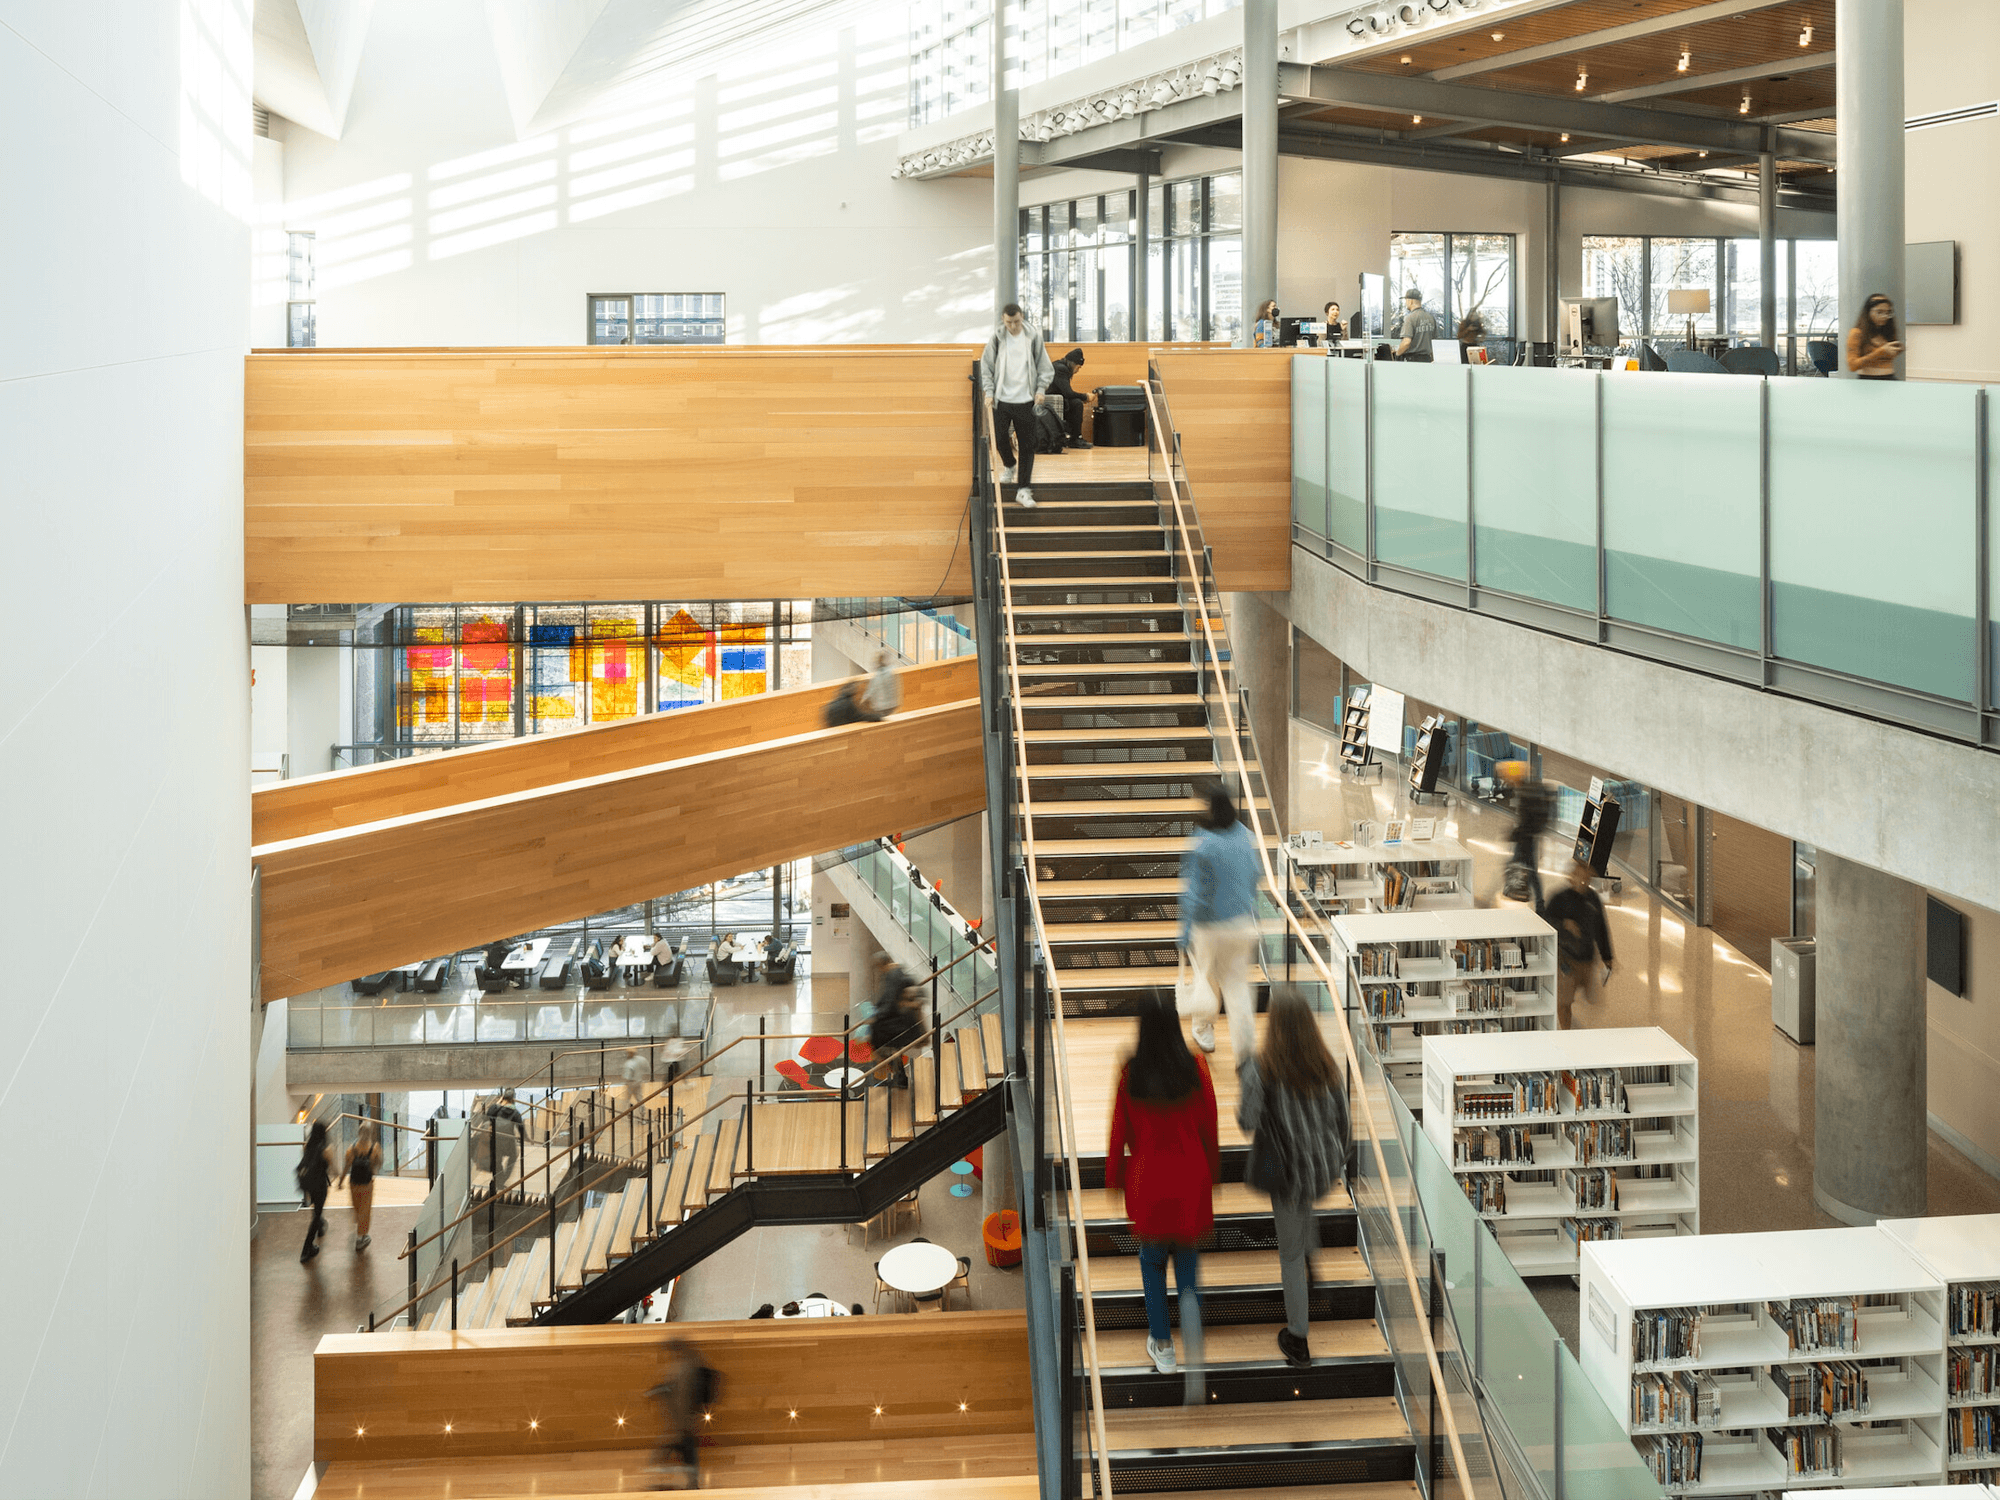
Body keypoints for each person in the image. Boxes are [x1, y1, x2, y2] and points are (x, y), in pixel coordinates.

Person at [1106, 997, 1217, 1398]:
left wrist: (1112, 1180)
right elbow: (1210, 1125)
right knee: (1187, 1263)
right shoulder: (1196, 1069)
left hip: (1149, 1183)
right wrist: (1215, 1174)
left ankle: (1164, 1347)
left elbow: (1119, 1133)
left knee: (1152, 1265)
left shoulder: (1130, 1073)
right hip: (1190, 1180)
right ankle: (1192, 1335)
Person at [1236, 987, 1351, 1369]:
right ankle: (1311, 1258)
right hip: (1322, 1169)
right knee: (1302, 1211)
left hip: (1287, 1173)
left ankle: (1298, 1338)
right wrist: (1337, 1159)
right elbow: (1344, 1122)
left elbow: (1246, 1122)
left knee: (1288, 1255)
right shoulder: (1326, 1063)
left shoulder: (1262, 1068)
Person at [1179, 782, 1262, 1060]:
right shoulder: (1245, 836)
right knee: (1238, 989)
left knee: (1206, 980)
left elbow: (1194, 893)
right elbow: (1254, 876)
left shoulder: (1202, 842)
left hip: (1209, 928)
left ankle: (1204, 1031)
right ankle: (1245, 1054)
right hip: (1241, 924)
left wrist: (1185, 931)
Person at [979, 303, 1055, 508]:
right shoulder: (997, 338)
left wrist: (1040, 389)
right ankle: (1009, 465)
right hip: (1002, 399)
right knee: (999, 437)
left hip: (1026, 400)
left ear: (1022, 318)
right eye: (1009, 322)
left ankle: (1023, 489)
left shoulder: (1033, 338)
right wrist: (989, 391)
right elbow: (986, 366)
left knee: (1027, 446)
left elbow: (1045, 366)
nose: (1013, 326)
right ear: (1003, 320)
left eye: (1016, 322)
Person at [1545, 859, 1614, 1029]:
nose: (1583, 882)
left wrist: (1607, 956)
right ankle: (1567, 1031)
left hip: (1587, 959)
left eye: (1587, 879)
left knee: (1592, 998)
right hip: (1566, 959)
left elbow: (1601, 928)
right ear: (1571, 878)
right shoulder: (1559, 899)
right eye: (1580, 878)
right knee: (1564, 1002)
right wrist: (1564, 924)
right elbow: (1544, 921)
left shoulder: (1593, 899)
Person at [646, 1338, 716, 1490]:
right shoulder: (690, 1364)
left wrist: (679, 1423)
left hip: (681, 1421)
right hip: (684, 1421)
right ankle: (689, 1482)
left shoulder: (682, 1368)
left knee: (680, 1448)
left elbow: (680, 1395)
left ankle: (665, 1481)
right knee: (682, 1449)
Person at [1497, 760, 1551, 912]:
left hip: (1525, 839)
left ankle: (1535, 901)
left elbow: (1527, 821)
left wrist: (1514, 834)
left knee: (1526, 869)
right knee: (1524, 868)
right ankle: (1526, 896)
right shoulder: (1526, 789)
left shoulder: (1526, 792)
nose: (1505, 780)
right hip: (1527, 837)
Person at [337, 1120, 382, 1252]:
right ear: (370, 1133)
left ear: (359, 1132)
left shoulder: (352, 1148)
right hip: (367, 1184)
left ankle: (360, 1231)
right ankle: (360, 1237)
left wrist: (340, 1181)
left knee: (357, 1208)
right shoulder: (375, 1147)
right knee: (365, 1210)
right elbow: (377, 1164)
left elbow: (346, 1166)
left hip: (353, 1183)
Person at [296, 1122, 334, 1263]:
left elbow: (307, 1163)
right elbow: (332, 1167)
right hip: (320, 1185)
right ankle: (307, 1249)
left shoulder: (307, 1146)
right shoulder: (326, 1149)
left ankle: (320, 1228)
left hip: (309, 1185)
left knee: (316, 1210)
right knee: (317, 1214)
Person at [1846, 293, 1903, 380]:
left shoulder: (1886, 332)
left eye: (1888, 312)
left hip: (1889, 378)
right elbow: (1852, 365)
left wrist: (1896, 350)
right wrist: (1880, 352)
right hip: (1868, 381)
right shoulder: (1857, 333)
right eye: (1879, 312)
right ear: (1868, 312)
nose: (1884, 316)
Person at [1047, 348, 1092, 448]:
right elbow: (1068, 393)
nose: (1077, 371)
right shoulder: (1061, 369)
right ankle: (1075, 438)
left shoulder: (1058, 366)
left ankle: (1073, 437)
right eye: (1078, 367)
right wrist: (1085, 396)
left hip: (1053, 399)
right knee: (1077, 404)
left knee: (1074, 403)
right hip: (1050, 401)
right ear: (1073, 363)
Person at [482, 1087, 526, 1191]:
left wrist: (498, 1102)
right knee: (513, 1156)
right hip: (508, 1141)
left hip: (494, 1140)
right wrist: (523, 1140)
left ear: (503, 1097)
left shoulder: (495, 1108)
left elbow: (486, 1118)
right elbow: (521, 1128)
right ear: (513, 1099)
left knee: (497, 1161)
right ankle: (502, 1181)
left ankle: (498, 1181)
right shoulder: (515, 1113)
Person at [858, 648, 902, 721]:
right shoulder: (892, 671)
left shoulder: (876, 676)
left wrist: (862, 700)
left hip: (880, 708)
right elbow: (896, 688)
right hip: (892, 705)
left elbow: (870, 692)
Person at [1393, 289, 1436, 362]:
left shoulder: (1410, 318)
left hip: (1413, 361)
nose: (1406, 303)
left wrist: (1397, 354)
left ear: (1411, 301)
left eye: (1406, 300)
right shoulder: (1431, 318)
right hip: (1427, 360)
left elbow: (1406, 342)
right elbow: (1434, 341)